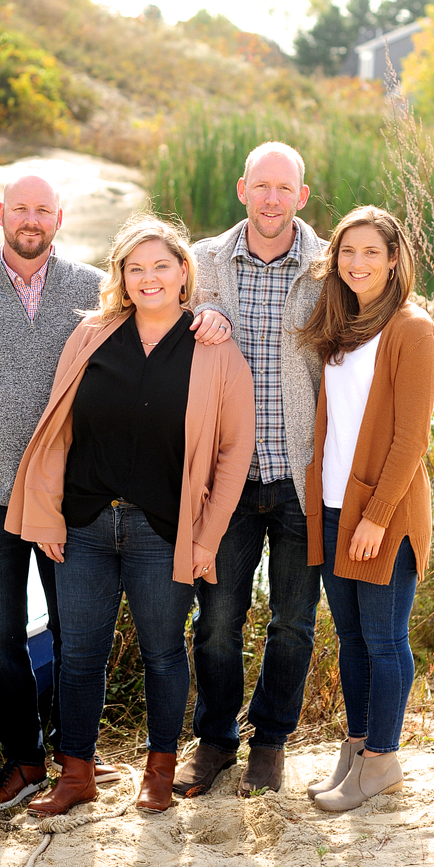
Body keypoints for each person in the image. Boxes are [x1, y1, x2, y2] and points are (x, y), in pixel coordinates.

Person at [0, 176, 233, 812]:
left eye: (43, 210)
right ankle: (29, 762)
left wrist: (210, 316)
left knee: (75, 637)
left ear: (60, 217)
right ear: (1, 213)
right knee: (2, 637)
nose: (30, 220)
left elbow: (161, 313)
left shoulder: (94, 292)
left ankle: (78, 759)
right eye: (20, 209)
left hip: (82, 504)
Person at [4, 216, 255, 815]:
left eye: (161, 266)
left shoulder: (212, 347)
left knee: (163, 652)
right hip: (86, 524)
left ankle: (160, 770)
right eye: (135, 268)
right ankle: (76, 774)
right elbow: (57, 429)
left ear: (184, 272)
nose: (148, 278)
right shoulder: (92, 334)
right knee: (81, 654)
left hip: (164, 532)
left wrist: (206, 541)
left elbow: (233, 453)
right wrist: (48, 517)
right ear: (120, 276)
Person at [174, 141, 325, 799]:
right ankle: (213, 742)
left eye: (282, 187)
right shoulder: (202, 262)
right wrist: (193, 318)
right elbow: (151, 313)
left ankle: (270, 742)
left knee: (294, 620)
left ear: (301, 196)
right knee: (216, 621)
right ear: (242, 190)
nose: (271, 198)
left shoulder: (329, 267)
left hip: (301, 478)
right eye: (260, 185)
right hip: (225, 482)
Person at [298, 205, 434, 812]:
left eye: (371, 253)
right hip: (333, 506)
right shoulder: (343, 325)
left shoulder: (411, 329)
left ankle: (383, 759)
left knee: (385, 639)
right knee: (351, 637)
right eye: (347, 252)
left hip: (381, 511)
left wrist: (378, 517)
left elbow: (411, 439)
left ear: (392, 260)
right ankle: (357, 749)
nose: (358, 264)